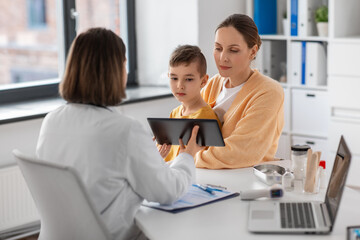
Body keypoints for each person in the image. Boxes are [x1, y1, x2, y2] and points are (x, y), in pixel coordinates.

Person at [36, 28, 202, 240]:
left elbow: (102, 175)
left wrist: (148, 160)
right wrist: (187, 156)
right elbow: (168, 192)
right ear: (116, 71)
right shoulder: (124, 130)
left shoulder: (52, 121)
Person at [195, 14, 284, 169]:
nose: (223, 57)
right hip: (207, 176)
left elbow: (239, 151)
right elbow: (191, 128)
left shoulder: (269, 92)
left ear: (252, 52)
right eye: (218, 48)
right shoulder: (212, 84)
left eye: (233, 50)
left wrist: (189, 157)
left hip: (244, 179)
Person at [158, 45, 221, 162]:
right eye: (174, 78)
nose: (180, 86)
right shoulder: (175, 113)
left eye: (188, 79)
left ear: (203, 81)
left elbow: (205, 161)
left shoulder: (205, 119)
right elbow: (168, 155)